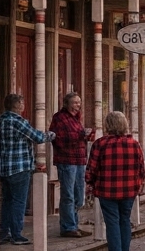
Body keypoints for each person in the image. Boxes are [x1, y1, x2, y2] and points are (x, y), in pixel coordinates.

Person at [0, 94, 54, 246]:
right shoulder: (18, 121)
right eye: (22, 103)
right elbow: (38, 137)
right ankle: (16, 234)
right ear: (18, 105)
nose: (23, 106)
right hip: (19, 167)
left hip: (3, 167)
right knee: (19, 202)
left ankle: (4, 233)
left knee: (7, 201)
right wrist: (51, 135)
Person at [88, 111, 145, 251]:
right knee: (124, 220)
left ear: (107, 125)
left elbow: (92, 169)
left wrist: (90, 184)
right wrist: (139, 184)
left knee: (112, 222)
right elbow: (141, 169)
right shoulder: (134, 144)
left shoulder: (100, 144)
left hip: (106, 191)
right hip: (129, 190)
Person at [50, 92, 92, 238]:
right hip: (67, 161)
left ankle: (74, 224)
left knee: (79, 196)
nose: (78, 105)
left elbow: (80, 137)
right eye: (75, 102)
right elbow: (58, 139)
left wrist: (87, 134)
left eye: (79, 102)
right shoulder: (59, 118)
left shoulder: (76, 119)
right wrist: (80, 135)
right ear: (66, 104)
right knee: (68, 195)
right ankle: (68, 227)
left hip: (80, 160)